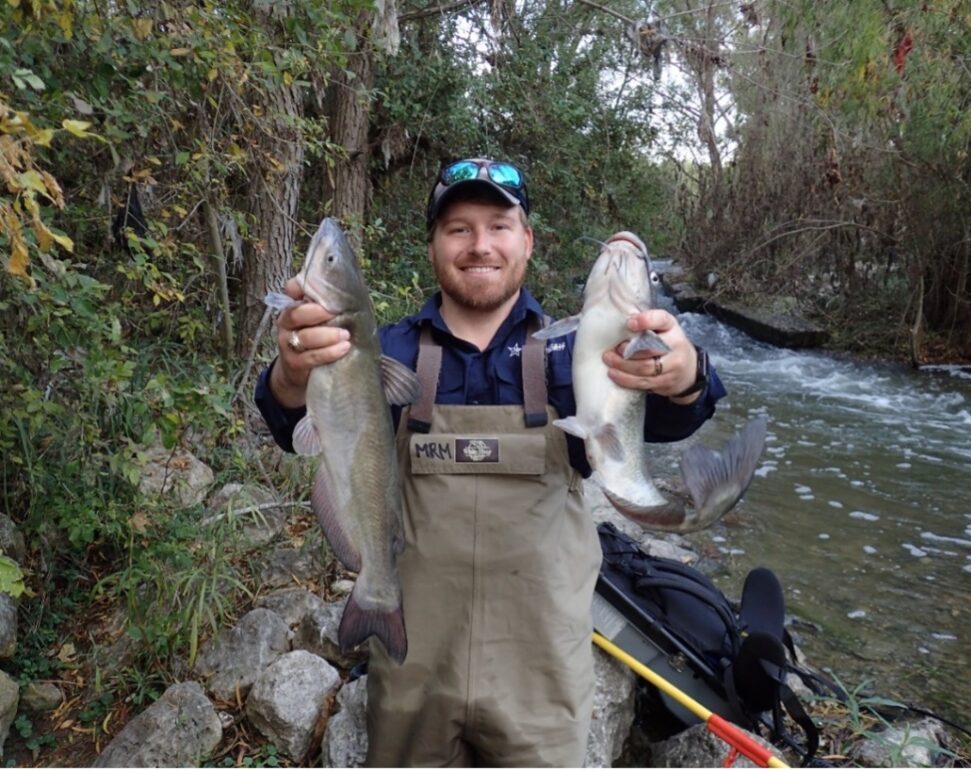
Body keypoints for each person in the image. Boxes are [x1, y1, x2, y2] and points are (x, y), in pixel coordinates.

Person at [255, 157, 726, 766]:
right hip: (411, 663)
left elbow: (673, 415)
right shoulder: (383, 350)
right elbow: (286, 419)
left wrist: (686, 375)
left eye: (499, 226)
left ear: (526, 240)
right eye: (458, 228)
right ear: (432, 244)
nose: (480, 246)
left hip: (541, 676)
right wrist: (294, 371)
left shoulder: (576, 355)